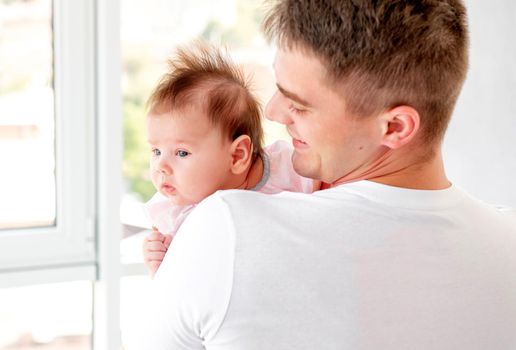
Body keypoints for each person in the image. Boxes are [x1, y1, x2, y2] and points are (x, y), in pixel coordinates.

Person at [131, 1, 516, 349]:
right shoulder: (508, 241)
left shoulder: (225, 228)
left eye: (299, 105)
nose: (273, 112)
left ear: (395, 127)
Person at [142, 42, 315, 276]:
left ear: (237, 155)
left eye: (181, 153)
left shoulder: (289, 169)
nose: (161, 167)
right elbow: (181, 290)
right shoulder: (178, 215)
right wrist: (160, 264)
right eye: (156, 151)